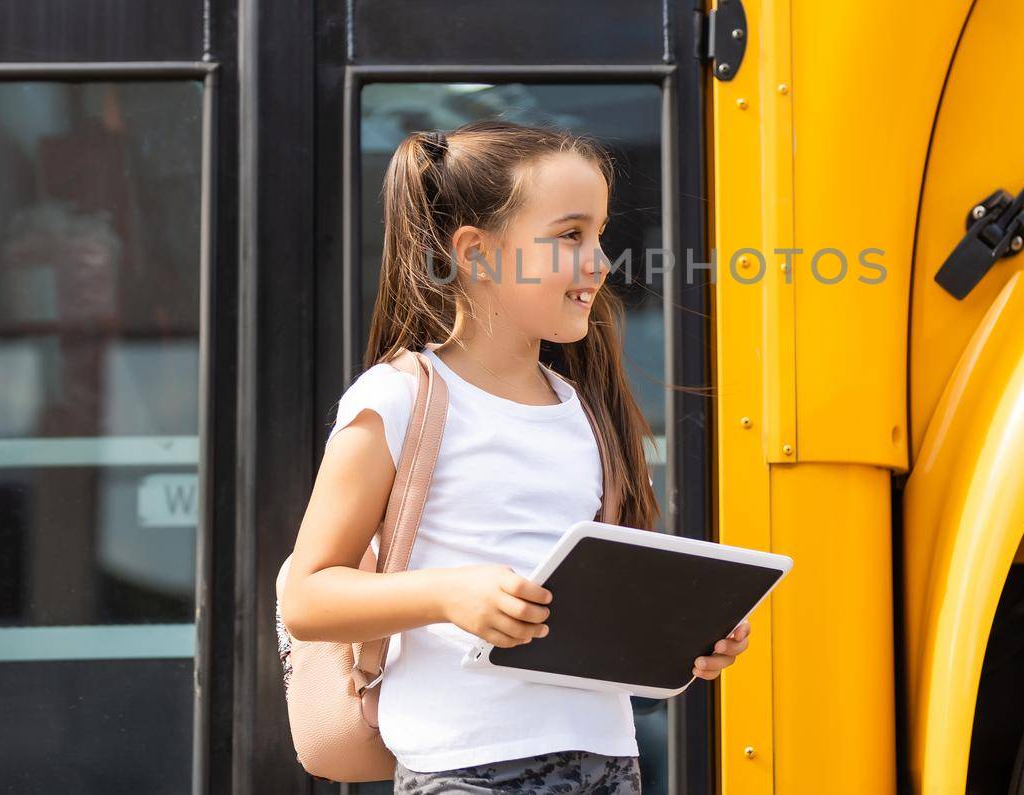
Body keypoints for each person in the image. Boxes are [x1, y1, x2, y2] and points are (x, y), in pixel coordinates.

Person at [279, 120, 751, 793]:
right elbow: (307, 595)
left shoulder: (589, 411)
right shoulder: (397, 397)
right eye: (570, 235)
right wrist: (449, 593)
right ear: (476, 252)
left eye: (598, 235)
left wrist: (689, 631)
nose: (600, 261)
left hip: (608, 760)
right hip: (463, 768)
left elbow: (617, 593)